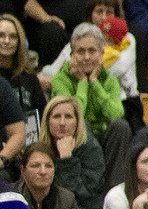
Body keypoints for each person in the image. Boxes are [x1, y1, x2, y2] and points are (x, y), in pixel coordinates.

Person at [50, 25, 129, 183]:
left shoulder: (110, 81)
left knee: (121, 127)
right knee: (83, 124)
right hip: (74, 141)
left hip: (103, 139)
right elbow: (74, 115)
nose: (86, 57)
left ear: (101, 54)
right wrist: (83, 83)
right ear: (72, 55)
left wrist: (94, 83)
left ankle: (113, 190)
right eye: (80, 51)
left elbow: (116, 114)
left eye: (92, 51)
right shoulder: (60, 80)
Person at [44, 99, 106, 209]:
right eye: (57, 117)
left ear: (78, 122)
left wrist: (66, 160)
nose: (62, 122)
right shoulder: (41, 150)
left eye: (69, 117)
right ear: (47, 121)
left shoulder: (90, 148)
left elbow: (84, 197)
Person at [0, 15, 48, 150]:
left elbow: (43, 116)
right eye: (1, 35)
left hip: (29, 146)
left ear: (20, 41)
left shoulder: (30, 79)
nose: (7, 41)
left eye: (13, 36)